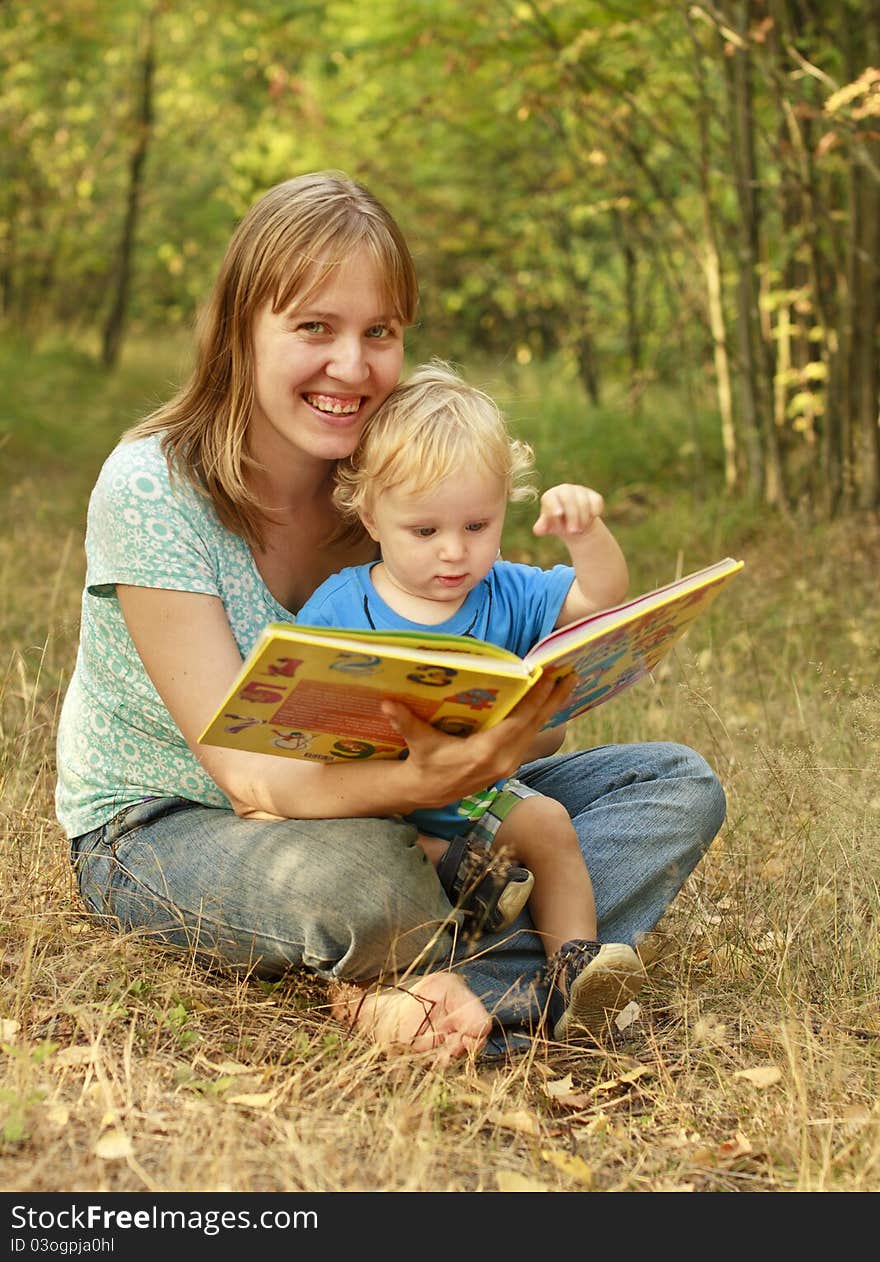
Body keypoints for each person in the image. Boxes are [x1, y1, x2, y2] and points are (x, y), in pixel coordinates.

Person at [55, 169, 726, 1061]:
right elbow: (252, 780)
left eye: (380, 332)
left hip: (418, 809)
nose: (353, 365)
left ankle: (447, 993)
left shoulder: (399, 494)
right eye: (314, 329)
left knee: (673, 785)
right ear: (238, 332)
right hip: (175, 821)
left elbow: (501, 698)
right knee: (366, 878)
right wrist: (431, 784)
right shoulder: (152, 489)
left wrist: (515, 724)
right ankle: (520, 980)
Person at [297, 360, 650, 1039]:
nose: (454, 553)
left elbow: (600, 602)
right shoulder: (341, 607)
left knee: (548, 822)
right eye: (425, 532)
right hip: (379, 816)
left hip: (479, 799)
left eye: (478, 526)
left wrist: (586, 535)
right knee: (375, 867)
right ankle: (454, 925)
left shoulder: (508, 591)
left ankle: (574, 971)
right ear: (371, 514)